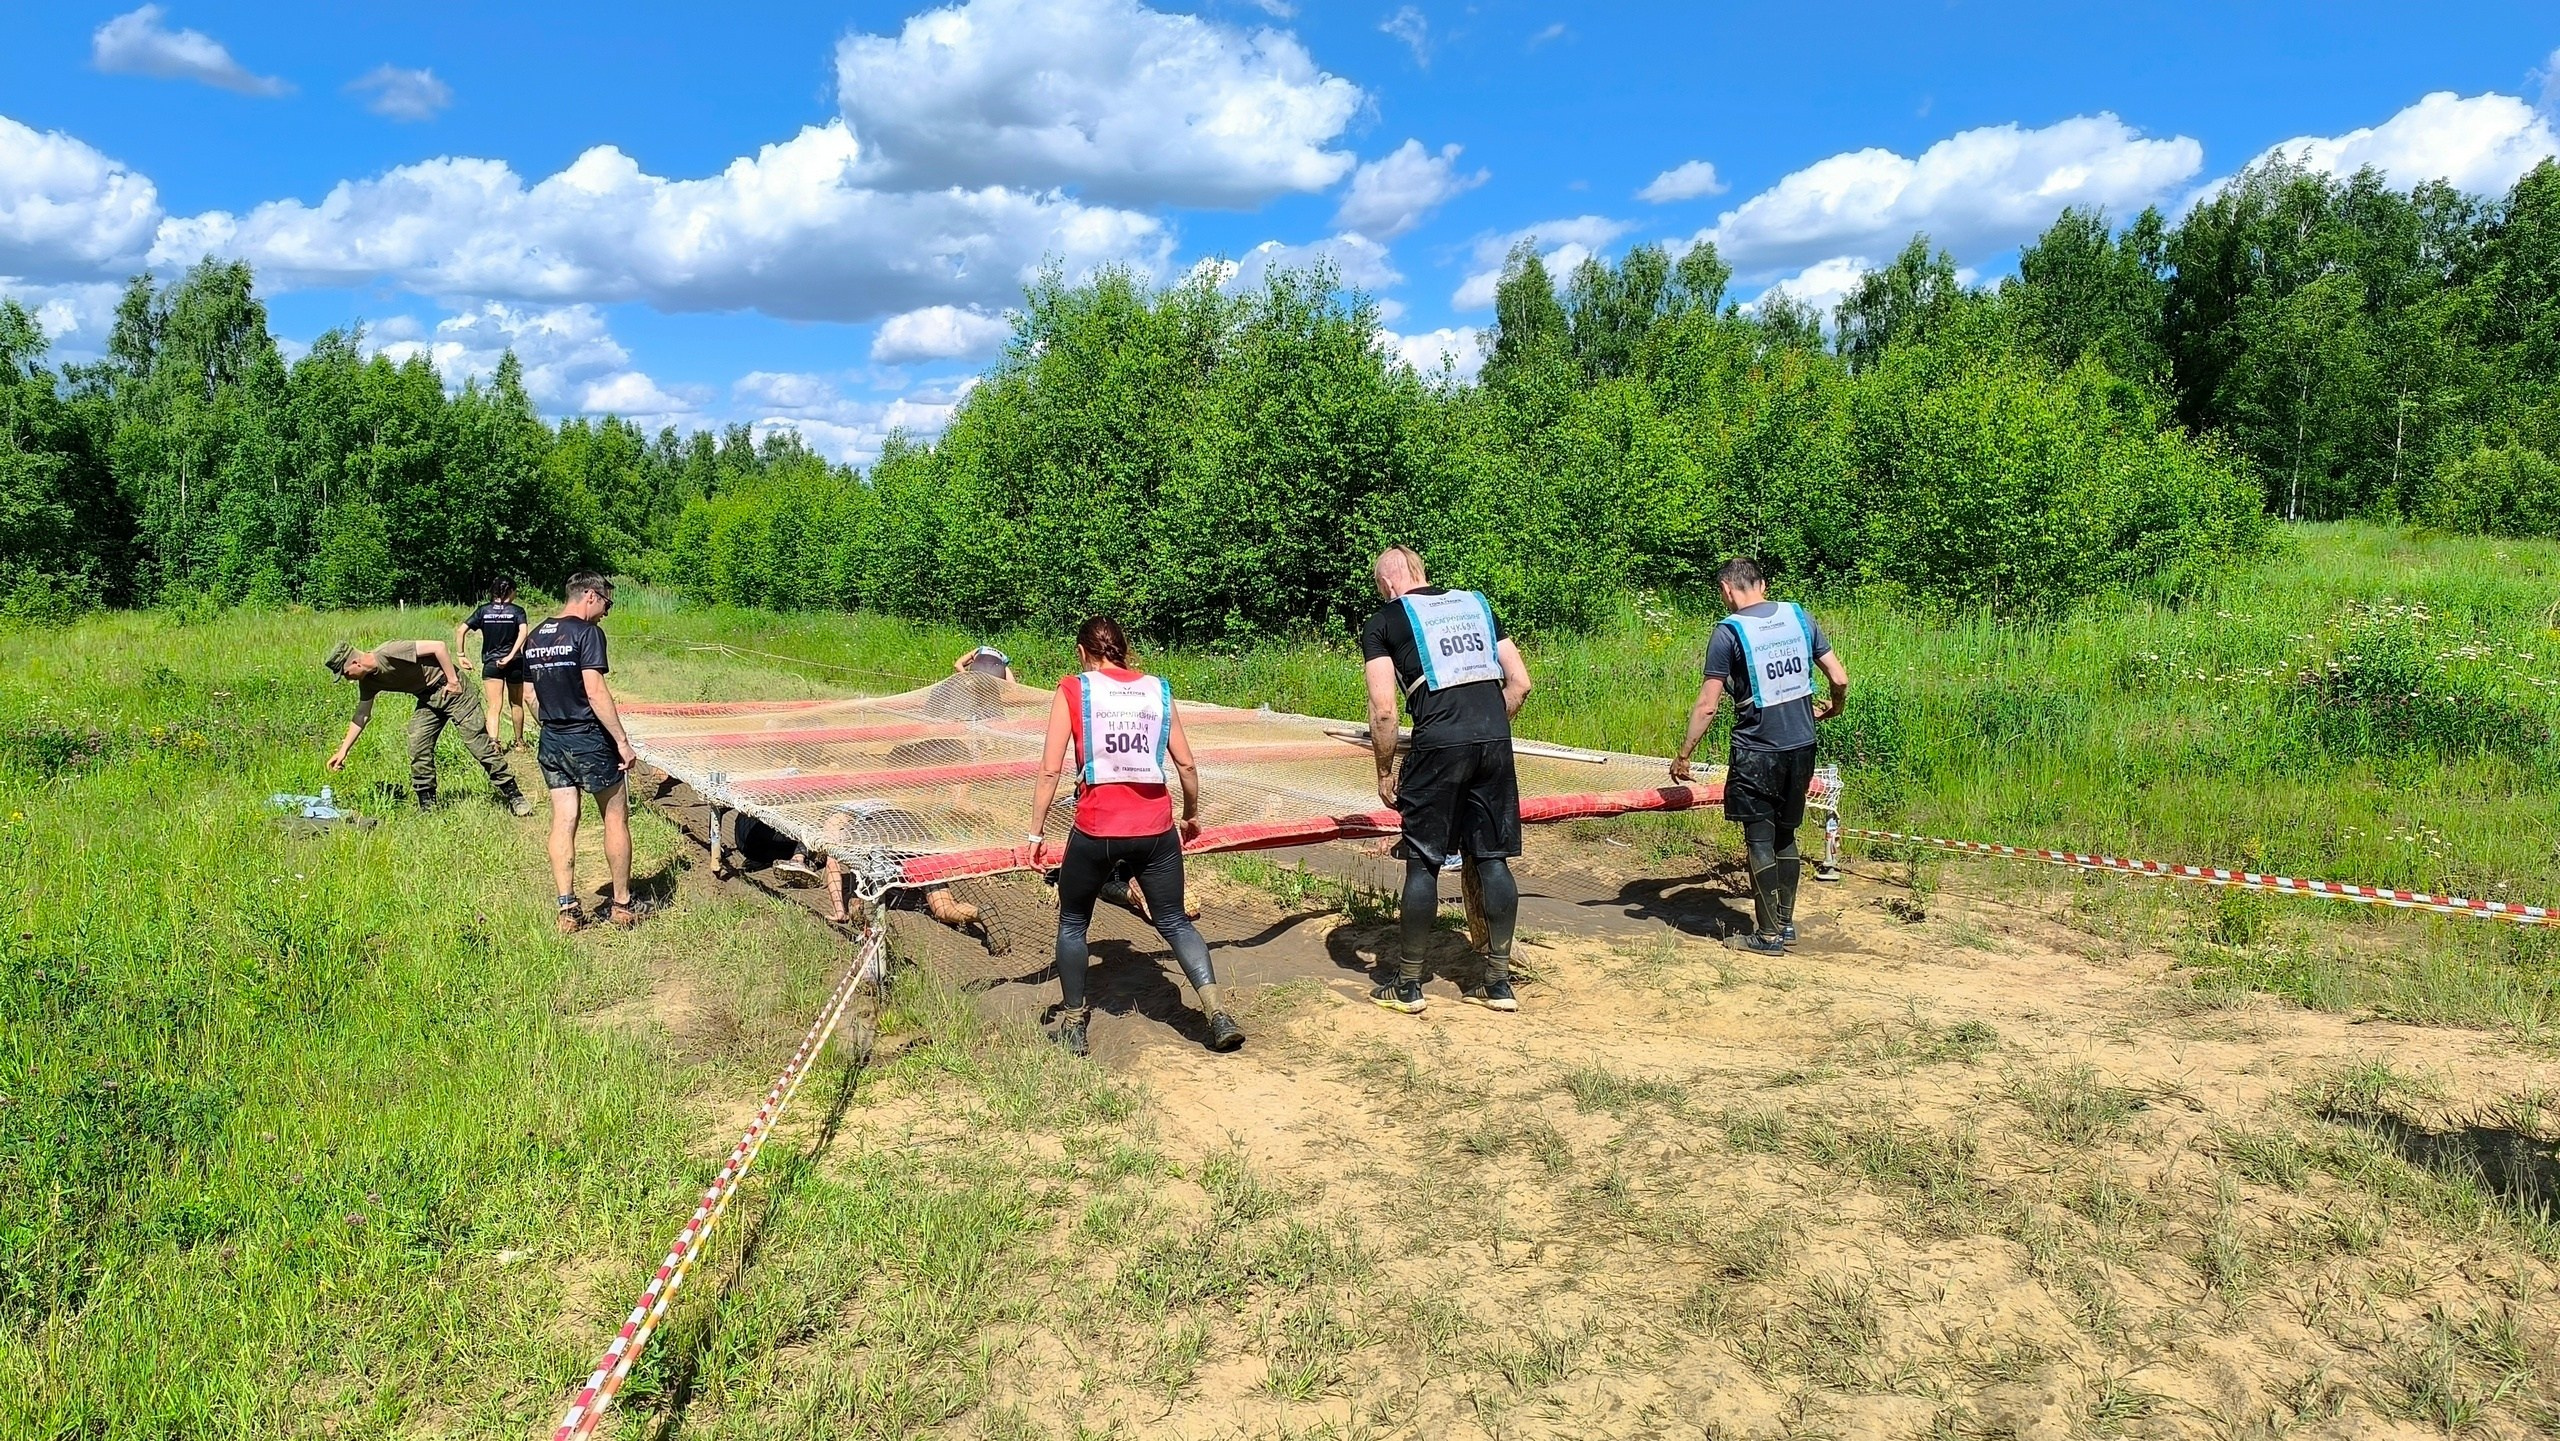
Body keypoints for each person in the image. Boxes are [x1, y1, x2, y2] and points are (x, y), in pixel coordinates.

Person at [1027, 616, 1242, 1057]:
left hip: (1096, 828)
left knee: (1072, 922)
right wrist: (1191, 815)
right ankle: (1218, 1014)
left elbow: (1050, 769)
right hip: (1156, 828)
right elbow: (1186, 765)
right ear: (1123, 650)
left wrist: (1035, 833)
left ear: (1083, 653)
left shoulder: (1074, 689)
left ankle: (1073, 1023)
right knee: (1175, 921)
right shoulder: (1156, 689)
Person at [1360, 547, 1534, 1015]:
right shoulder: (1476, 604)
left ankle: (1409, 983)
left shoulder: (1385, 621)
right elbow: (1520, 683)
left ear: (1390, 585)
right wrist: (1489, 728)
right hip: (1494, 739)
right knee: (1492, 858)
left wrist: (1383, 770)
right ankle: (1498, 983)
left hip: (1438, 744)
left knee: (1423, 861)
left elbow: (1383, 710)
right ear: (1422, 574)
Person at [1669, 557, 1849, 955]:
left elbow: (1707, 706)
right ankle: (1784, 925)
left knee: (1759, 838)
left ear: (1726, 590)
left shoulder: (1728, 632)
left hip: (1757, 750)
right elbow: (1839, 677)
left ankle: (1766, 936)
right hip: (1802, 745)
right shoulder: (1798, 616)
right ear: (1763, 585)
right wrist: (1834, 708)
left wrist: (1683, 754)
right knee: (1786, 834)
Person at [526, 573, 639, 933]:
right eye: (607, 603)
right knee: (615, 817)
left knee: (563, 820)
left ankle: (567, 910)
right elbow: (595, 691)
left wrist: (551, 724)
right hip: (589, 738)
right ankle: (622, 904)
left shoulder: (534, 637)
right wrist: (621, 741)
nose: (606, 612)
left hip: (553, 740)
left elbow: (529, 696)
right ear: (590, 595)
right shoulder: (587, 634)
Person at [324, 637, 532, 816]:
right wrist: (343, 751)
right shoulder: (368, 682)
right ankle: (428, 805)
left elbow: (438, 646)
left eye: (345, 673)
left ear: (354, 663)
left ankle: (514, 796)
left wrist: (452, 680)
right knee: (418, 744)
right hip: (429, 699)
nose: (347, 679)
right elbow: (362, 715)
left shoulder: (389, 652)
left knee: (478, 745)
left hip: (454, 691)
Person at [458, 579, 532, 751]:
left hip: (491, 663)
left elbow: (461, 630)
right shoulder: (518, 611)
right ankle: (520, 742)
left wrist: (461, 655)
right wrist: (511, 655)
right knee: (516, 703)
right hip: (514, 663)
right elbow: (524, 632)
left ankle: (494, 743)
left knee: (494, 706)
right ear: (511, 591)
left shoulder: (483, 610)